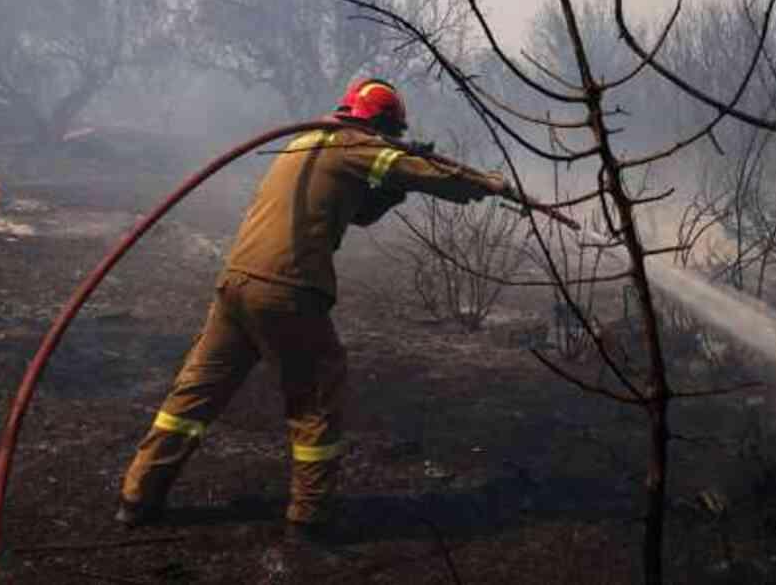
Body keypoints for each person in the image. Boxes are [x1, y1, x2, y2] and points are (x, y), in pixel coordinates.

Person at [114, 78, 504, 542]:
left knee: (195, 394)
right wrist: (487, 184)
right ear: (379, 123)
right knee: (317, 396)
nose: (394, 142)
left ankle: (138, 496)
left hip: (237, 284)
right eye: (392, 133)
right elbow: (427, 174)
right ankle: (309, 516)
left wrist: (394, 186)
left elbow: (356, 211)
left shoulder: (307, 144)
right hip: (288, 290)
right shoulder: (353, 144)